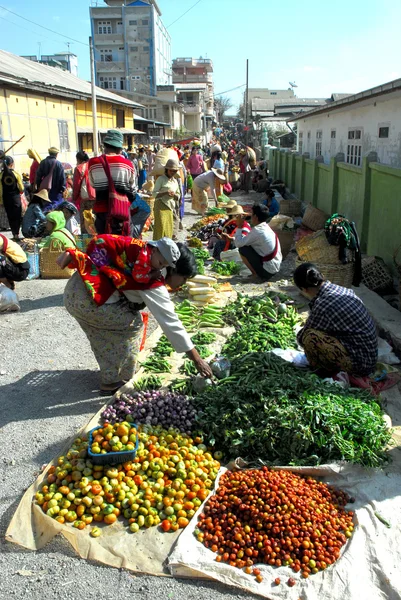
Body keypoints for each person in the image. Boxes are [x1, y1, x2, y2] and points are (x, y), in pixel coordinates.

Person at [59, 239, 213, 394]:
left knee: (104, 332)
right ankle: (113, 380)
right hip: (87, 299)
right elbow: (170, 322)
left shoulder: (150, 256)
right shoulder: (154, 282)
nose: (184, 283)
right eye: (184, 278)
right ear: (172, 269)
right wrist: (197, 360)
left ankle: (112, 372)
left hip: (77, 290)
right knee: (132, 325)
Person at [294, 262, 378, 376]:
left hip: (360, 365)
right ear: (322, 276)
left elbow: (302, 337)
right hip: (369, 356)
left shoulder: (323, 304)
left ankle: (322, 372)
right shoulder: (342, 290)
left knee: (310, 337)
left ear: (304, 289)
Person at [88, 130, 136, 235]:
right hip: (121, 212)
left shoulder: (93, 163)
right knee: (122, 244)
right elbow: (132, 188)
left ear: (105, 145)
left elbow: (92, 184)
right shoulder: (128, 164)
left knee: (104, 245)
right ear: (119, 148)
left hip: (101, 212)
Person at [234, 204, 282, 280]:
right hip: (274, 267)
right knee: (248, 245)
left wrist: (239, 226)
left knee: (243, 249)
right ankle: (258, 273)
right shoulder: (266, 227)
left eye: (252, 214)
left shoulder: (257, 231)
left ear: (255, 217)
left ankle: (255, 274)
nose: (250, 216)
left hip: (268, 271)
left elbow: (238, 243)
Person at [152, 158, 181, 240]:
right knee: (160, 228)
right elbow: (154, 194)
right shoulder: (161, 179)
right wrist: (165, 193)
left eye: (174, 171)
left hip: (170, 207)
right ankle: (157, 247)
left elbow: (178, 195)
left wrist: (174, 195)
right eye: (171, 170)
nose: (173, 173)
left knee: (168, 229)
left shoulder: (175, 181)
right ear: (167, 169)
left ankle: (166, 247)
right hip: (160, 206)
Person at [0, 156, 24, 241]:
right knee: (17, 215)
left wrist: (1, 200)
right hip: (15, 198)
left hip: (6, 198)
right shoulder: (16, 174)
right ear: (12, 164)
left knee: (10, 216)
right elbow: (21, 188)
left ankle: (14, 234)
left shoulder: (1, 175)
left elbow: (0, 189)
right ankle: (17, 233)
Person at [73, 151, 95, 233]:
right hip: (97, 197)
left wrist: (74, 197)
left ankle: (86, 242)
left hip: (86, 198)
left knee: (85, 221)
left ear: (78, 159)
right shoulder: (93, 165)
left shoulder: (79, 168)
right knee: (94, 220)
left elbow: (76, 185)